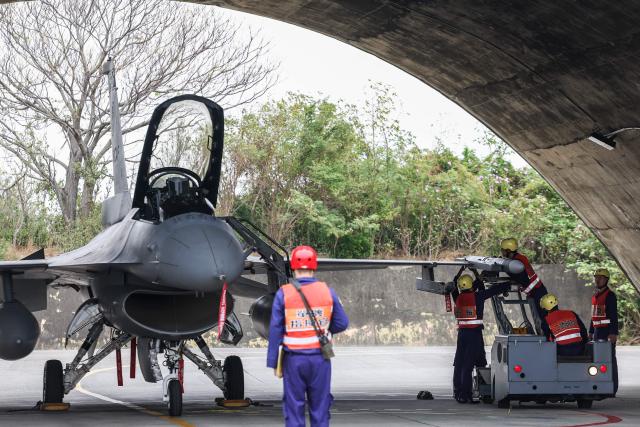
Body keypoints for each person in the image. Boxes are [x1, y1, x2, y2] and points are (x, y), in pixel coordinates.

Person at [266, 245, 349, 427]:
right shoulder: (327, 291)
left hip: (293, 361)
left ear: (293, 267)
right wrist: (325, 331)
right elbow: (342, 323)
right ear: (314, 266)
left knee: (294, 408)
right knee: (320, 407)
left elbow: (275, 330)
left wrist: (273, 362)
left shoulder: (284, 293)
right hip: (320, 359)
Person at [451, 273, 509, 404]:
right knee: (469, 364)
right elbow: (493, 291)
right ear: (471, 286)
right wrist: (507, 285)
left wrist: (471, 276)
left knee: (461, 363)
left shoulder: (457, 297)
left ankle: (459, 392)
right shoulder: (477, 297)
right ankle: (466, 395)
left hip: (462, 335)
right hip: (474, 335)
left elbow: (455, 284)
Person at [500, 238, 549, 331]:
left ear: (508, 250)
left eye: (502, 250)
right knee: (541, 318)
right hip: (536, 292)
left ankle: (549, 339)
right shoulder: (518, 259)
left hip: (538, 293)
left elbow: (522, 280)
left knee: (544, 318)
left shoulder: (517, 263)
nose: (501, 252)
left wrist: (505, 269)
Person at [589, 267, 618, 394]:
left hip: (606, 332)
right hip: (597, 332)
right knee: (597, 360)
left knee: (609, 360)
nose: (598, 280)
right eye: (596, 277)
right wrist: (590, 331)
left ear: (606, 280)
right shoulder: (595, 296)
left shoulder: (610, 296)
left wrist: (613, 333)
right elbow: (593, 316)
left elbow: (613, 315)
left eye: (600, 278)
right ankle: (600, 386)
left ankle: (613, 388)